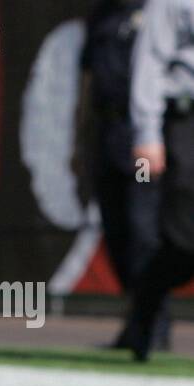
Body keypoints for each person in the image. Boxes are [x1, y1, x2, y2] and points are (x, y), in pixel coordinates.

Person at [81, 0, 171, 350]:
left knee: (143, 228)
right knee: (115, 228)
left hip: (145, 136)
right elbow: (88, 77)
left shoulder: (160, 11)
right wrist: (80, 137)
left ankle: (153, 324)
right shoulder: (103, 14)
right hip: (108, 131)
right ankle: (138, 318)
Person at [126, 0, 194, 360]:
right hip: (186, 120)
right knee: (184, 241)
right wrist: (147, 133)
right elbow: (150, 59)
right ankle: (145, 309)